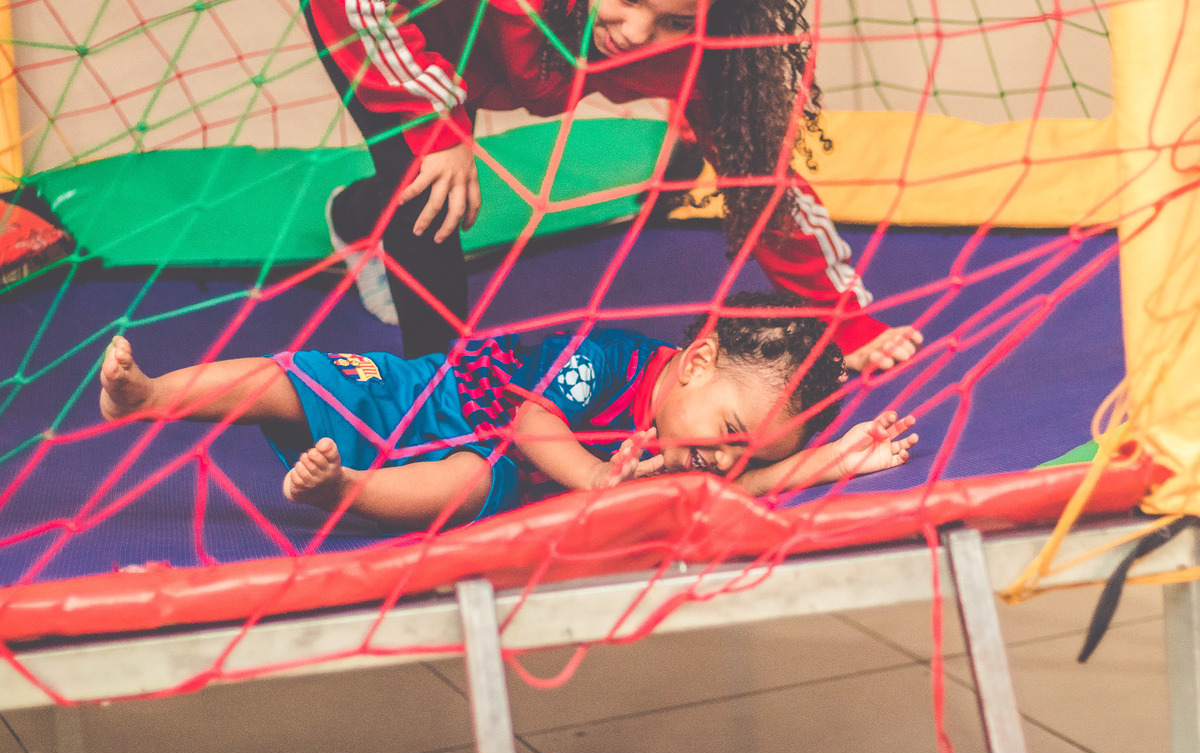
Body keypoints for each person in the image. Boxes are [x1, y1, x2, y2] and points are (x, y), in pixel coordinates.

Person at [302, 0, 924, 370]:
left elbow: (767, 188)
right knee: (426, 174)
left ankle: (354, 218)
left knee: (730, 138)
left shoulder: (696, 51)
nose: (635, 32)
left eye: (676, 18)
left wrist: (847, 321)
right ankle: (429, 391)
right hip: (401, 41)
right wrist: (434, 120)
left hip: (506, 69)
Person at [98, 292, 917, 530]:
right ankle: (152, 395)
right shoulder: (616, 358)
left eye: (742, 453)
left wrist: (837, 458)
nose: (718, 460)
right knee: (295, 378)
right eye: (727, 434)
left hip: (482, 465)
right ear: (696, 362)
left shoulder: (699, 446)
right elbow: (530, 422)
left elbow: (753, 484)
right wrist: (596, 476)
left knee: (464, 484)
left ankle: (343, 491)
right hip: (429, 393)